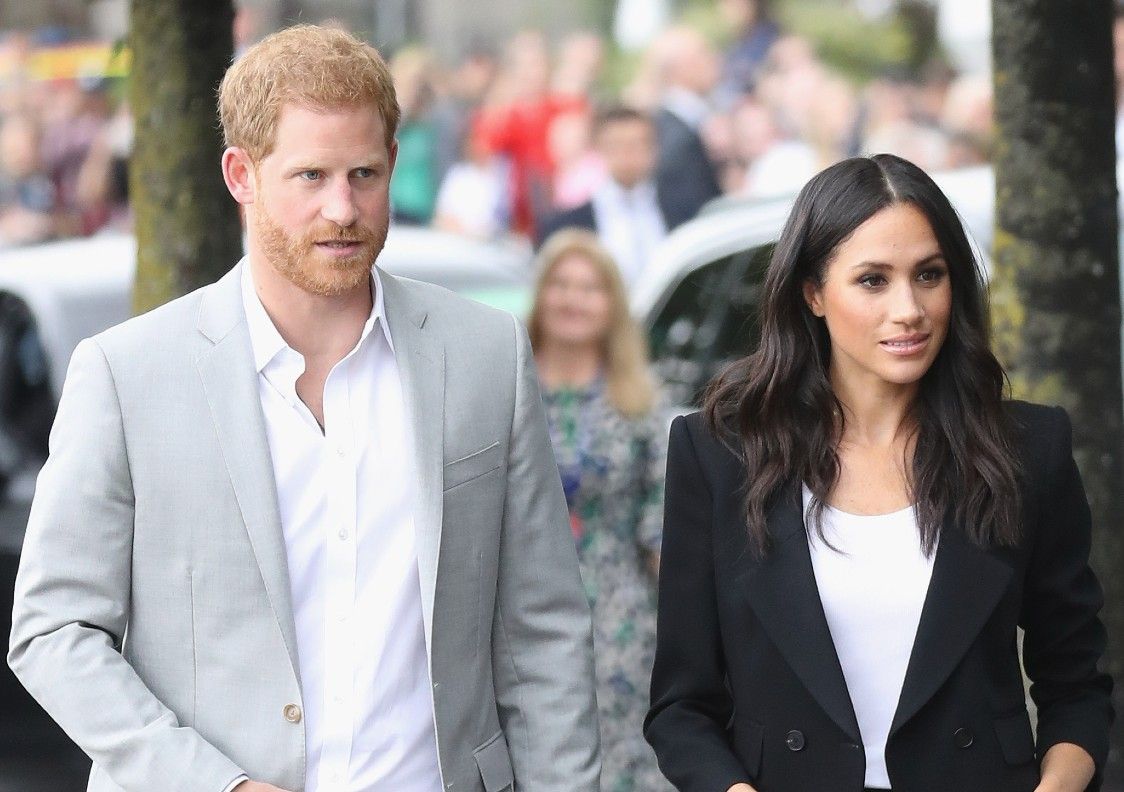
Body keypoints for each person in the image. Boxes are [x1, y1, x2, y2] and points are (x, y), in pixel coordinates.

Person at [8, 25, 600, 792]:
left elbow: (543, 629)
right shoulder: (127, 376)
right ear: (241, 175)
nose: (343, 210)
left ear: (394, 164)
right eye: (311, 176)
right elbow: (54, 631)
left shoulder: (485, 355)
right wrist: (216, 784)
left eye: (364, 174)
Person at [645, 154, 1113, 792]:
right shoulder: (719, 454)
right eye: (873, 280)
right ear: (813, 292)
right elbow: (682, 706)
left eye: (929, 274)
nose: (909, 308)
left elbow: (1076, 686)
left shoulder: (1027, 448)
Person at [529, 229, 671, 792]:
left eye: (590, 288)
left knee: (626, 765)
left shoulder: (639, 399)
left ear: (612, 304)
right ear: (540, 295)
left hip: (622, 619)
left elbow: (662, 517)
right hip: (528, 611)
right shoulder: (504, 389)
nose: (573, 298)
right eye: (561, 284)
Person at [537, 106, 670, 289]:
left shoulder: (682, 212)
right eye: (617, 145)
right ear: (599, 149)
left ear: (654, 149)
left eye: (637, 144)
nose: (627, 155)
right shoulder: (566, 225)